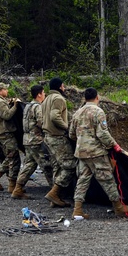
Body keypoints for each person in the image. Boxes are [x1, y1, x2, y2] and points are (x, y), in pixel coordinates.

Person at [71, 87, 128, 219]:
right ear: (97, 97)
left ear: (85, 98)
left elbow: (72, 134)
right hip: (96, 152)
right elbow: (102, 133)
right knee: (107, 179)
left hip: (81, 152)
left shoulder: (77, 113)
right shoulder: (98, 112)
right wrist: (114, 145)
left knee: (82, 180)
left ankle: (77, 209)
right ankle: (118, 208)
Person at [12, 84, 54, 199]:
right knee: (46, 166)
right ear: (39, 94)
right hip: (36, 140)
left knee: (29, 165)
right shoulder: (38, 107)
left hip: (27, 139)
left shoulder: (27, 106)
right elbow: (41, 122)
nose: (45, 94)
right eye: (44, 92)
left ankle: (18, 189)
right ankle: (55, 191)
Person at [42, 77, 76, 208]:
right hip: (57, 137)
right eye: (63, 85)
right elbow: (55, 116)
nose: (65, 88)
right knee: (69, 166)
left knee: (57, 167)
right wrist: (67, 128)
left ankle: (56, 198)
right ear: (59, 86)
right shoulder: (58, 99)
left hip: (48, 137)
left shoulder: (46, 100)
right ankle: (54, 193)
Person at [0, 82, 22, 193]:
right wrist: (15, 106)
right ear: (0, 91)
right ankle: (1, 180)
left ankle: (5, 182)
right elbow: (6, 115)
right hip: (5, 133)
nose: (7, 91)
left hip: (1, 133)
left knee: (11, 158)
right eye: (5, 89)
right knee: (13, 158)